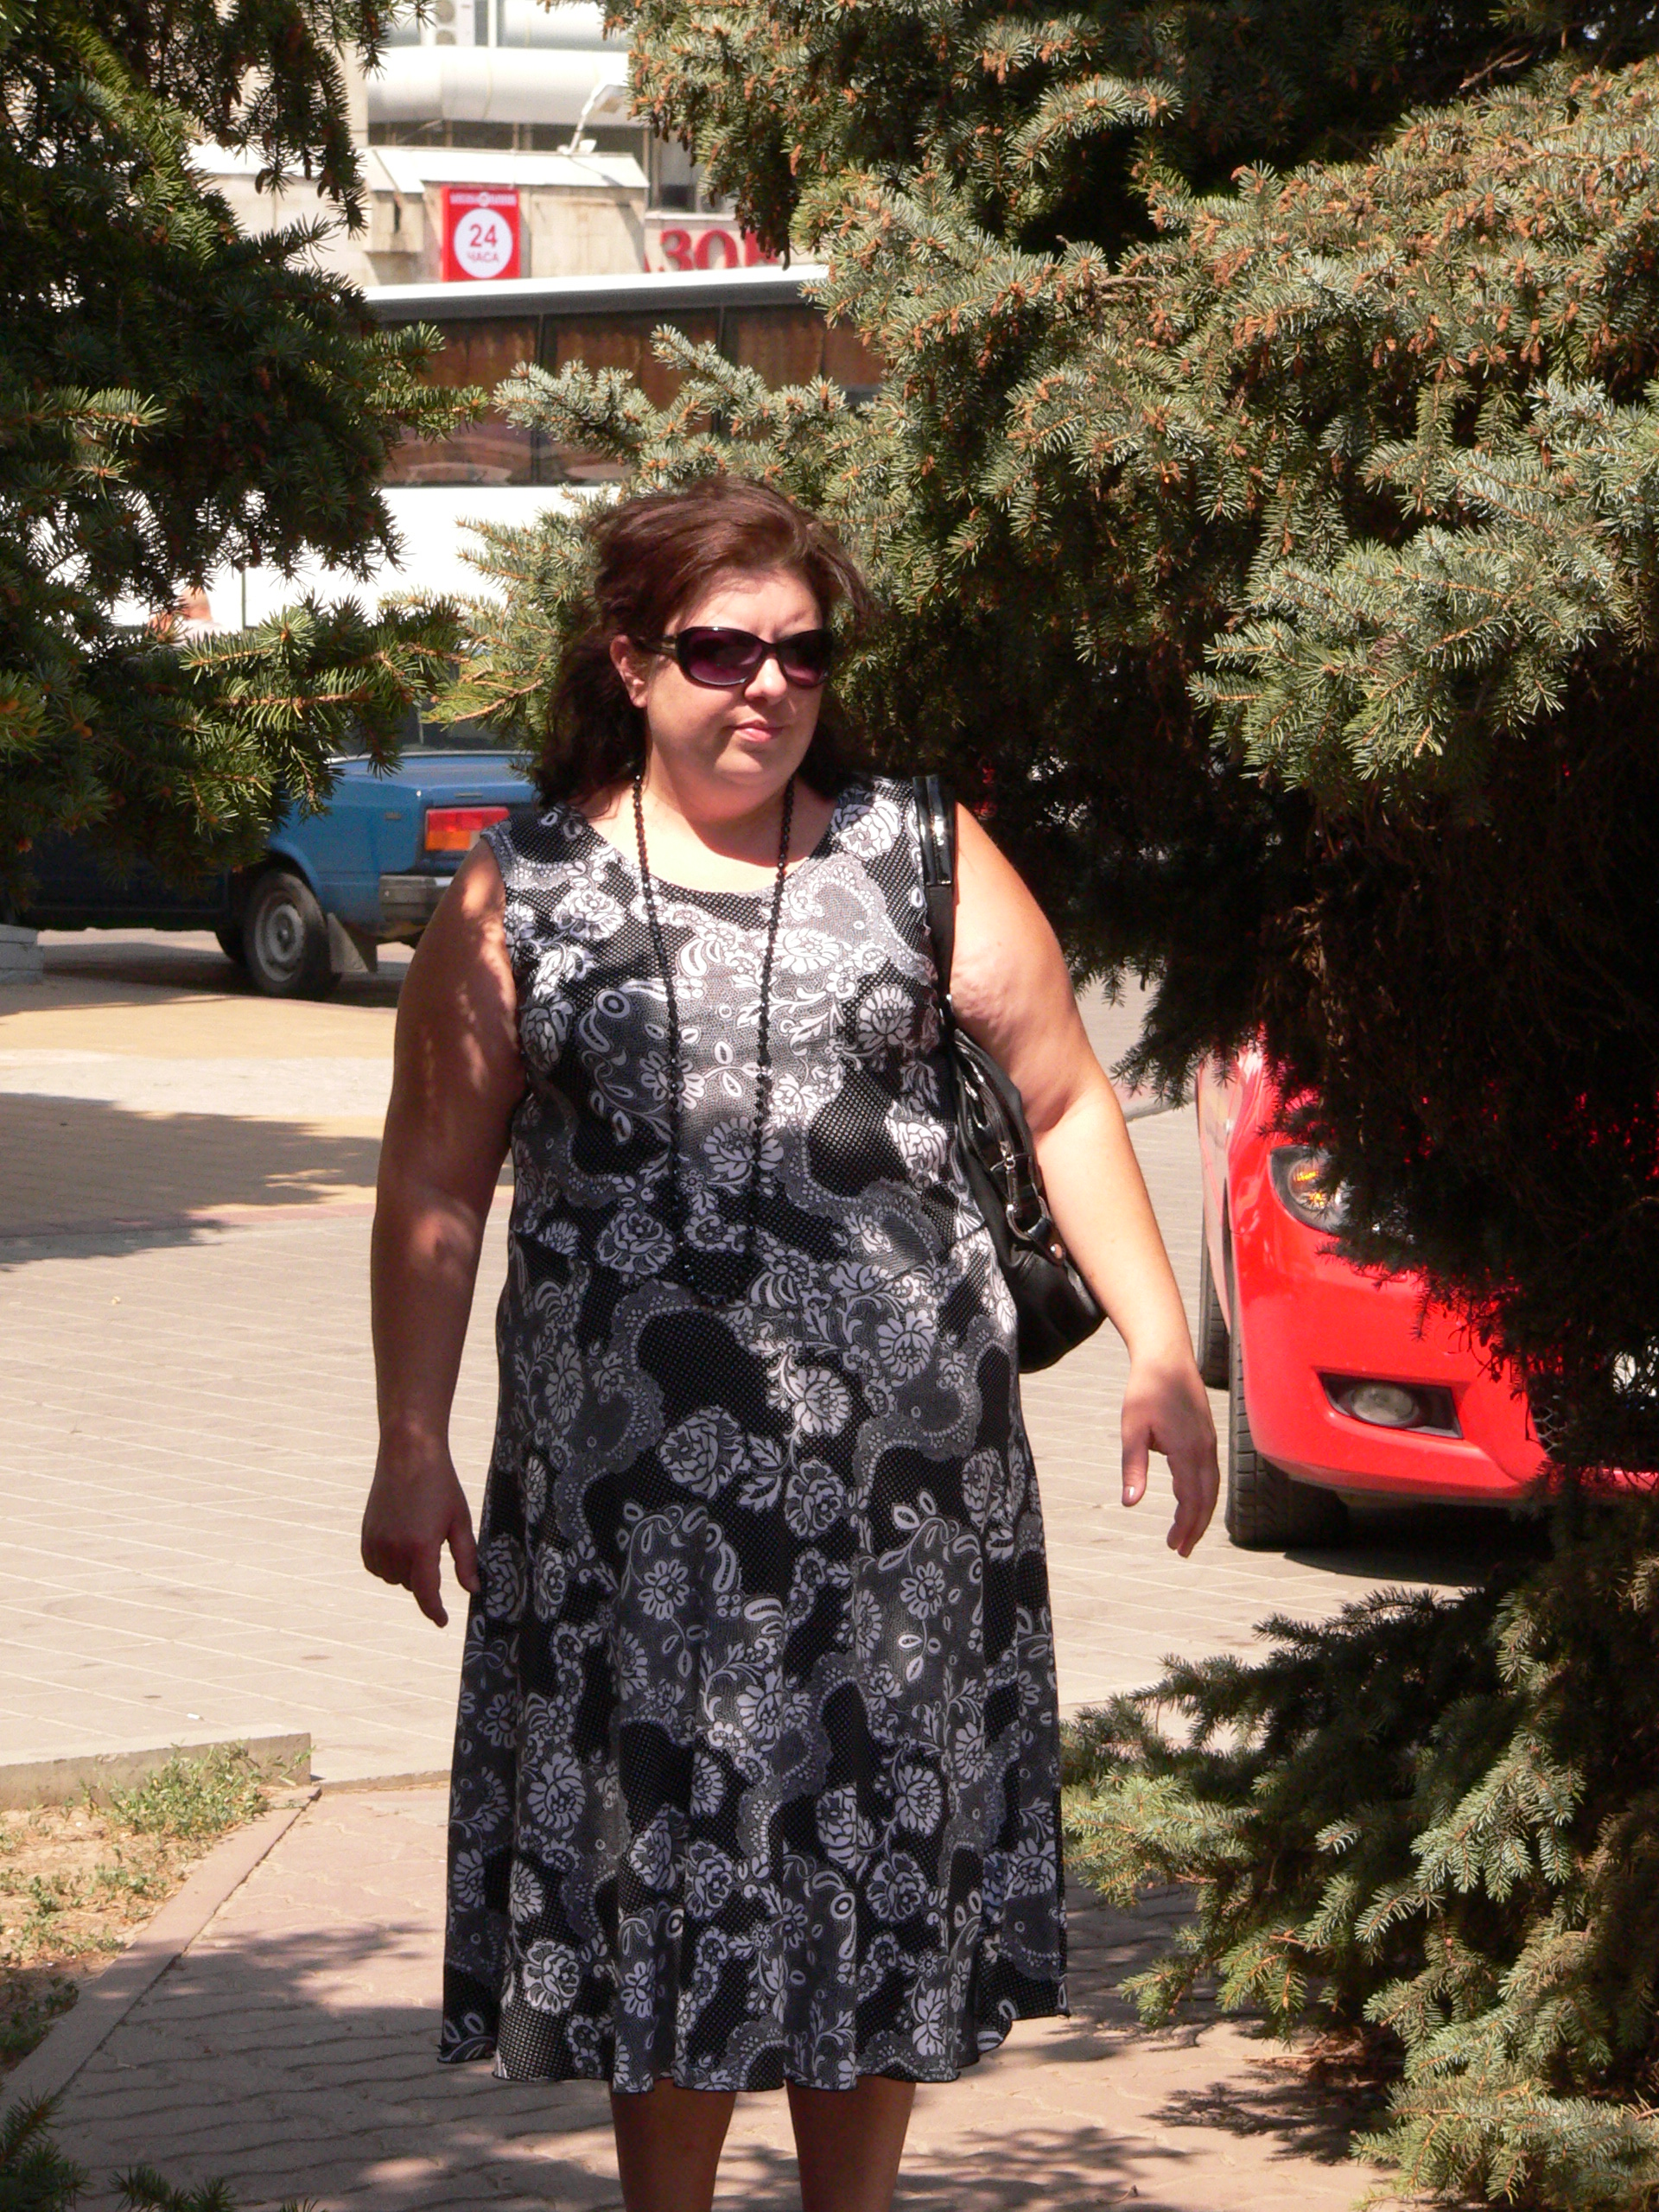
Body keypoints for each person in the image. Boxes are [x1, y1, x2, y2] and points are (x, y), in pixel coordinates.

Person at [360, 476, 1218, 2212]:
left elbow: (1065, 1096)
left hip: (900, 1510)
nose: (767, 684)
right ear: (630, 659)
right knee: (664, 1879)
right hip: (630, 1526)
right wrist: (408, 1440)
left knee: (869, 1867)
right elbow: (434, 1182)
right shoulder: (522, 893)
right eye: (721, 649)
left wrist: (1163, 1343)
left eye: (802, 653)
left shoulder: (916, 850)